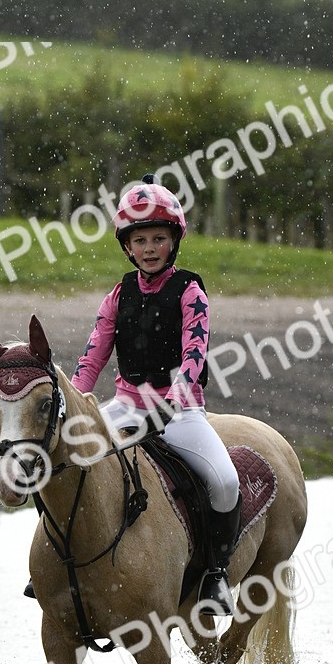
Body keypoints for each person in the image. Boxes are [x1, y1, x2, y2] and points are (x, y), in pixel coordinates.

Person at [71, 173, 242, 616]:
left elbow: (194, 353)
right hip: (126, 406)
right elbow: (92, 357)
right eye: (140, 240)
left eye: (159, 239)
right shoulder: (117, 296)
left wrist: (175, 399)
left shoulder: (191, 291)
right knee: (69, 460)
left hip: (180, 412)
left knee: (225, 482)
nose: (150, 248)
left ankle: (216, 574)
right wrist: (73, 404)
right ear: (127, 247)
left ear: (174, 241)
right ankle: (60, 562)